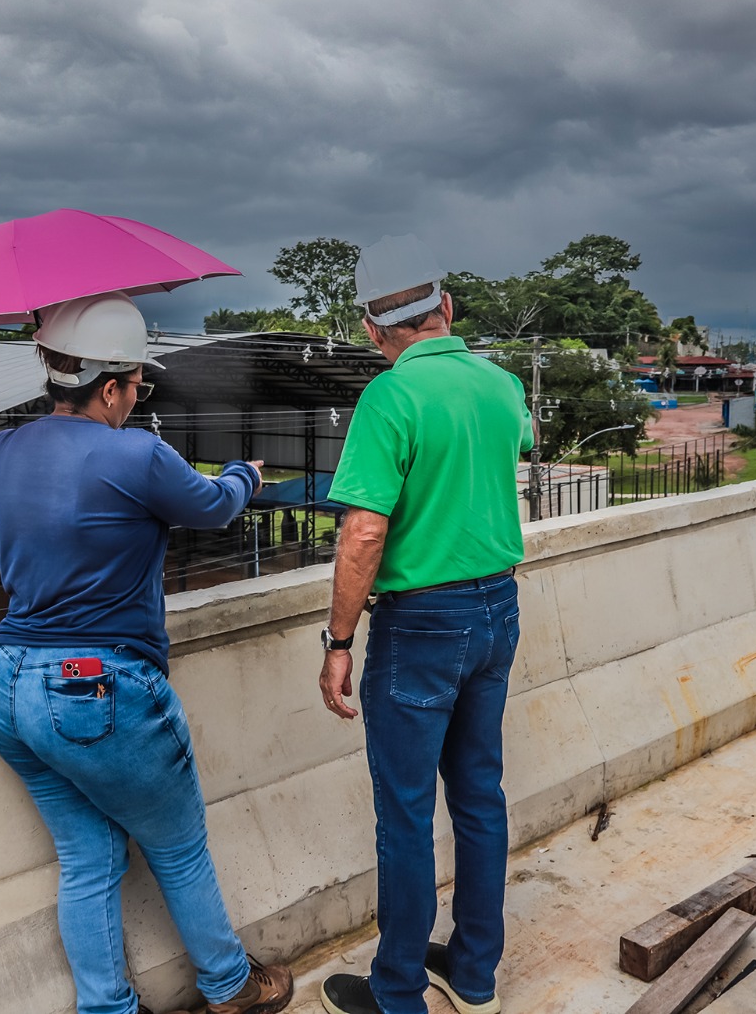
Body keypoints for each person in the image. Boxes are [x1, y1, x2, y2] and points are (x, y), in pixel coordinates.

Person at [0, 292, 293, 1014]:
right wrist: (246, 473)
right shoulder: (134, 452)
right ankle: (231, 985)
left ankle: (107, 1007)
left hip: (9, 685)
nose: (135, 400)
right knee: (178, 848)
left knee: (88, 859)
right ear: (112, 385)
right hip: (95, 690)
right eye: (136, 387)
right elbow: (213, 507)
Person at [317, 236, 532, 1014]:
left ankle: (398, 991)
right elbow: (518, 447)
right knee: (479, 795)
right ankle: (474, 973)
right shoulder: (503, 384)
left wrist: (339, 643)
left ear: (373, 334)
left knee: (405, 811)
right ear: (447, 309)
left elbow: (364, 534)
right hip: (496, 609)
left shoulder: (390, 397)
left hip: (420, 625)